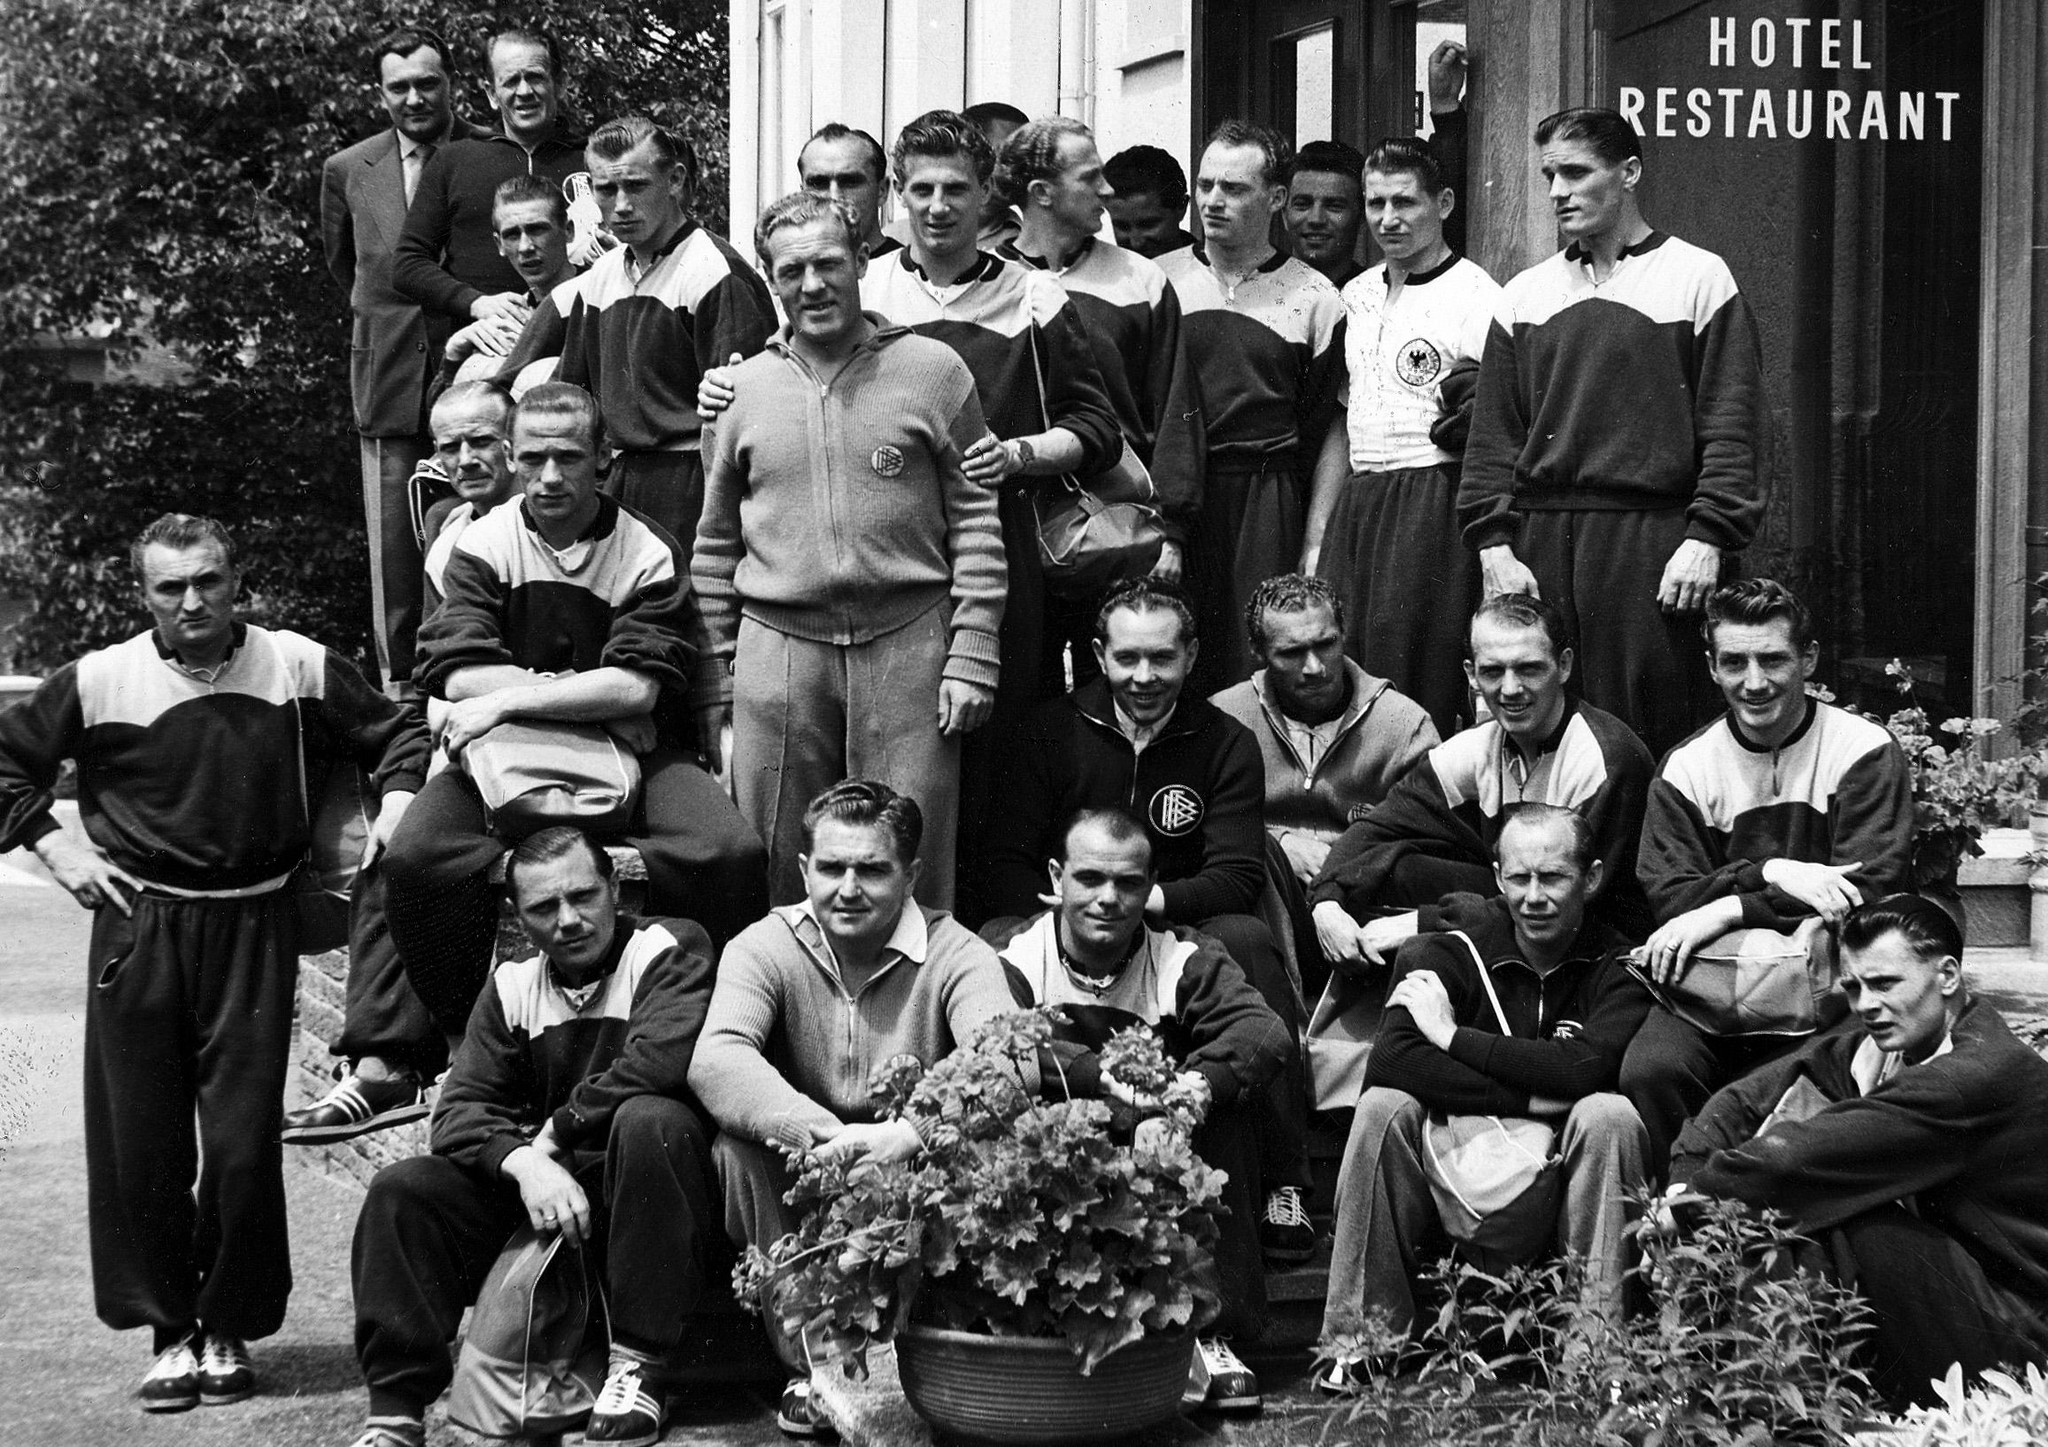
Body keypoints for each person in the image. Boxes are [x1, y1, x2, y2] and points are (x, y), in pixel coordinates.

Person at [0, 513, 429, 1411]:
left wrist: (396, 803)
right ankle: (169, 1331)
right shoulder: (100, 678)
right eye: (171, 586)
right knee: (143, 1144)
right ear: (143, 594)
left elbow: (398, 732)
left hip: (253, 922)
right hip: (140, 924)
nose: (192, 601)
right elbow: (7, 762)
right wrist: (55, 846)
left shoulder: (296, 664)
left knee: (240, 1148)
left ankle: (227, 1323)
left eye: (208, 580)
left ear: (237, 582)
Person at [381, 382, 766, 1041]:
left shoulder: (645, 548)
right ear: (512, 457)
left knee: (729, 852)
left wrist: (513, 696)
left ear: (604, 459)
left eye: (568, 457)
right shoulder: (480, 544)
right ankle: (466, 1033)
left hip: (633, 750)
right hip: (499, 748)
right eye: (532, 459)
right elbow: (459, 672)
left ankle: (715, 1028)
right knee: (416, 858)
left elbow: (640, 692)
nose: (550, 476)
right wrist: (593, 700)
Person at [348, 827, 718, 1447]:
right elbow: (457, 1111)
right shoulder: (513, 985)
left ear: (615, 889)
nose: (568, 920)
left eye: (583, 896)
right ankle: (395, 1411)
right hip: (551, 1197)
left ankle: (638, 1367)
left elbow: (656, 1063)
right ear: (517, 915)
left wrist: (557, 1131)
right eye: (545, 907)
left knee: (651, 1117)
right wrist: (525, 1162)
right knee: (403, 1189)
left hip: (644, 1198)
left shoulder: (668, 947)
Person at [984, 579, 1314, 1263]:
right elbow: (1008, 860)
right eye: (1127, 657)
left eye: (1162, 658)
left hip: (1177, 926)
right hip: (1067, 921)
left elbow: (1237, 875)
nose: (1144, 677)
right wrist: (1073, 912)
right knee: (992, 945)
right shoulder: (1049, 731)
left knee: (1249, 940)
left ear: (1190, 656)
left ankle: (1284, 1176)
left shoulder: (1224, 742)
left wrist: (1141, 902)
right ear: (1098, 655)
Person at [694, 191, 1006, 909]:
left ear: (863, 259)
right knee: (778, 857)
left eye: (829, 263)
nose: (812, 285)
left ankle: (918, 984)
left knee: (909, 851)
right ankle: (785, 982)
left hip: (908, 643)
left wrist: (973, 651)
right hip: (779, 652)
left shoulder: (935, 371)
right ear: (770, 280)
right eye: (791, 270)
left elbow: (977, 523)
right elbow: (714, 545)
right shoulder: (739, 392)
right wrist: (715, 677)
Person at [688, 781, 1028, 1438]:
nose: (848, 888)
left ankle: (921, 1348)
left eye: (872, 869)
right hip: (810, 1164)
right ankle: (812, 1362)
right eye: (832, 867)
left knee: (987, 1142)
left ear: (911, 875)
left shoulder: (956, 951)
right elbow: (718, 1057)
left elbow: (1011, 1065)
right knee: (736, 1150)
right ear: (803, 869)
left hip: (916, 1167)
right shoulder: (765, 945)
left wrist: (908, 1133)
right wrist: (828, 1135)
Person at [1460, 107, 1766, 760]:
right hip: (1544, 545)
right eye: (1549, 176)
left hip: (1654, 544)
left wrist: (1708, 536)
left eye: (1576, 173)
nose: (1557, 192)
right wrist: (1493, 546)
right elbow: (1492, 441)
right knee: (1547, 730)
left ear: (1628, 173)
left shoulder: (1698, 277)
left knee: (1658, 732)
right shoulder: (1524, 294)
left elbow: (1732, 425)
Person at [1316, 805, 1654, 1390]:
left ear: (1592, 878)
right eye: (1519, 878)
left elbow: (1586, 1068)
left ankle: (1597, 1352)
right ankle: (1362, 1341)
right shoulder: (1450, 948)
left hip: (1558, 1172)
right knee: (1381, 1107)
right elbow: (1393, 1060)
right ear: (1497, 877)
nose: (1533, 897)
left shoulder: (1616, 962)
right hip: (1454, 1157)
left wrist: (1452, 1037)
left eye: (1553, 877)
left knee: (1610, 1114)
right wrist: (1535, 1097)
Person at [1666, 895, 2048, 1410]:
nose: (1866, 1005)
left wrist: (1685, 1205)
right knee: (1808, 1204)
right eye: (1853, 987)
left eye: (1885, 984)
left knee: (1819, 1206)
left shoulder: (1977, 1074)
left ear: (1948, 976)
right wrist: (1684, 1177)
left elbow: (1789, 1163)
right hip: (1961, 1292)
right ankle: (1770, 1404)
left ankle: (1779, 1415)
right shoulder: (1885, 1048)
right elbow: (1740, 1102)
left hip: (2023, 1333)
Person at [280, 382, 522, 1147]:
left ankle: (433, 1057)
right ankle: (385, 1063)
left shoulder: (546, 521)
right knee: (390, 840)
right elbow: (427, 670)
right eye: (449, 447)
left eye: (481, 440)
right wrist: (403, 786)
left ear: (514, 441)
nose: (465, 459)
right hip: (463, 740)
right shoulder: (448, 529)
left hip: (539, 738)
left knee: (436, 855)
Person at [995, 808, 1294, 1414]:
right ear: (1056, 878)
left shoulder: (1180, 953)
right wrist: (1096, 1079)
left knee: (1228, 1112)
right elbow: (996, 1038)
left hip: (1162, 1148)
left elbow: (1262, 1031)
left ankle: (1213, 1335)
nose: (1108, 899)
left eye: (1128, 883)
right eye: (1089, 879)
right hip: (1062, 1153)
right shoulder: (1017, 954)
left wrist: (1191, 1093)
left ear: (1150, 885)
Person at [1621, 579, 1914, 1171]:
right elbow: (1672, 900)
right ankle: (1685, 1210)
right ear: (1712, 667)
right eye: (1734, 662)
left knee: (1818, 1077)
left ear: (1808, 659)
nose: (1754, 682)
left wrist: (1730, 906)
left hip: (1831, 990)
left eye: (1773, 659)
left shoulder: (1862, 750)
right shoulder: (1687, 768)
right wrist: (1775, 873)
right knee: (1650, 1069)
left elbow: (1865, 894)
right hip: (1712, 989)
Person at [1308, 594, 1654, 972]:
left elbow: (1566, 900)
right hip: (1520, 902)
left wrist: (1422, 923)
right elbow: (1382, 825)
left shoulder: (1604, 758)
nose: (1510, 689)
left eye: (1529, 669)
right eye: (1493, 672)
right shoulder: (1480, 745)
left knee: (1423, 949)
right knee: (1395, 868)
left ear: (1564, 665)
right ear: (1472, 674)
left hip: (1595, 940)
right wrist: (1326, 901)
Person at [491, 116, 775, 548]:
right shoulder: (601, 277)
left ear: (674, 180)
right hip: (616, 482)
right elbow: (572, 392)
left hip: (693, 485)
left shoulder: (714, 272)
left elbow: (747, 419)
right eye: (606, 190)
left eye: (636, 186)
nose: (621, 205)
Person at [1302, 137, 1500, 738]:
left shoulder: (1476, 295)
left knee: (1414, 669)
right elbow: (1343, 423)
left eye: (1405, 202)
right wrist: (1318, 536)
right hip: (1360, 500)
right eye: (1375, 203)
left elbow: (1496, 428)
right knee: (1345, 663)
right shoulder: (1356, 295)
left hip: (1431, 497)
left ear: (1443, 204)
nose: (1388, 219)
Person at [996, 115, 1204, 679]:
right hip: (1008, 533)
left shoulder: (1139, 279)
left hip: (1116, 531)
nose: (1108, 192)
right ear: (1042, 193)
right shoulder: (990, 280)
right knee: (1021, 694)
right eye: (1091, 178)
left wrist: (1172, 535)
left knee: (1117, 691)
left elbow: (1175, 410)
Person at [1157, 119, 1347, 689]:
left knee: (1256, 657)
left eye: (1234, 188)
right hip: (1172, 497)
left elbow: (1327, 430)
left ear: (1277, 198)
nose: (1213, 201)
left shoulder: (1316, 297)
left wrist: (1313, 539)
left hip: (1267, 498)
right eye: (1205, 184)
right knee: (1169, 653)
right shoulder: (1157, 281)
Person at [322, 26, 482, 698]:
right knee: (393, 549)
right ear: (381, 93)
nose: (414, 98)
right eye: (399, 87)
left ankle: (469, 675)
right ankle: (401, 695)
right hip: (388, 373)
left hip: (474, 375)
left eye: (427, 83)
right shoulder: (347, 169)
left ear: (452, 84)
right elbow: (346, 267)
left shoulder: (487, 155)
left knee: (480, 527)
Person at [1210, 574, 1438, 997]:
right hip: (1263, 903)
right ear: (1258, 652)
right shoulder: (1225, 718)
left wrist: (1339, 879)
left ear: (1344, 634)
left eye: (1326, 644)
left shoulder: (1404, 724)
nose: (1314, 667)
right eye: (1291, 653)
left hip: (1363, 905)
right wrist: (1279, 844)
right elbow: (1203, 822)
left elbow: (1429, 837)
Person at [393, 27, 586, 328]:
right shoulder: (454, 161)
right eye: (510, 81)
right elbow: (408, 264)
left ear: (559, 84)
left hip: (582, 335)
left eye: (535, 77)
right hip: (486, 341)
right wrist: (474, 303)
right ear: (492, 93)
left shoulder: (592, 160)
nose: (524, 92)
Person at [432, 174, 578, 392]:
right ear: (499, 244)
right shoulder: (507, 320)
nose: (525, 247)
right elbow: (445, 410)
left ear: (568, 231)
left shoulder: (596, 300)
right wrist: (454, 356)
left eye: (537, 229)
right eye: (512, 235)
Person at [796, 122, 898, 256]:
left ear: (882, 191)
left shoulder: (910, 268)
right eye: (818, 183)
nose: (834, 197)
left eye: (850, 182)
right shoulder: (784, 267)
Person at [1284, 139, 1367, 288]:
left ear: (1361, 217)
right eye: (1302, 205)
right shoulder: (1254, 295)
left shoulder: (1380, 297)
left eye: (1334, 206)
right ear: (1284, 215)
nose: (1316, 219)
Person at [1103, 144, 1195, 259]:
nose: (1136, 244)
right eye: (1123, 227)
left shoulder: (1211, 268)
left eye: (1148, 225)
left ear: (1181, 207)